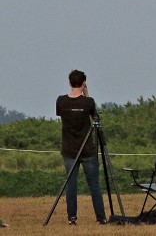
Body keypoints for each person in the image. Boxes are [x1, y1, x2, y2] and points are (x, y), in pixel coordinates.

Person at [56, 69, 107, 225]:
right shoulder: (88, 101)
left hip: (69, 150)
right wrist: (86, 92)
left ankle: (72, 217)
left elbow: (59, 113)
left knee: (71, 184)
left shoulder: (61, 101)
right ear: (84, 82)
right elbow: (94, 116)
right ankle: (101, 217)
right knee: (94, 185)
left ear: (69, 83)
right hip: (87, 149)